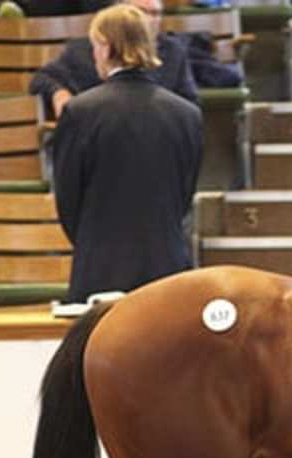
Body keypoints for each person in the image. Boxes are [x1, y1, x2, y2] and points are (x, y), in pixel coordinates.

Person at [52, 3, 203, 306]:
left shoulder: (79, 112)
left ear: (106, 48)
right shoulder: (187, 113)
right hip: (169, 267)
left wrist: (93, 241)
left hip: (99, 269)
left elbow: (68, 199)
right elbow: (185, 194)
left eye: (95, 46)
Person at [29, 0, 197, 119]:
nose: (148, 20)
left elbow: (189, 102)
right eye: (140, 12)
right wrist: (59, 93)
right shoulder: (82, 51)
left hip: (155, 135)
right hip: (97, 135)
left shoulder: (174, 51)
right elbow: (42, 78)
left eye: (155, 13)